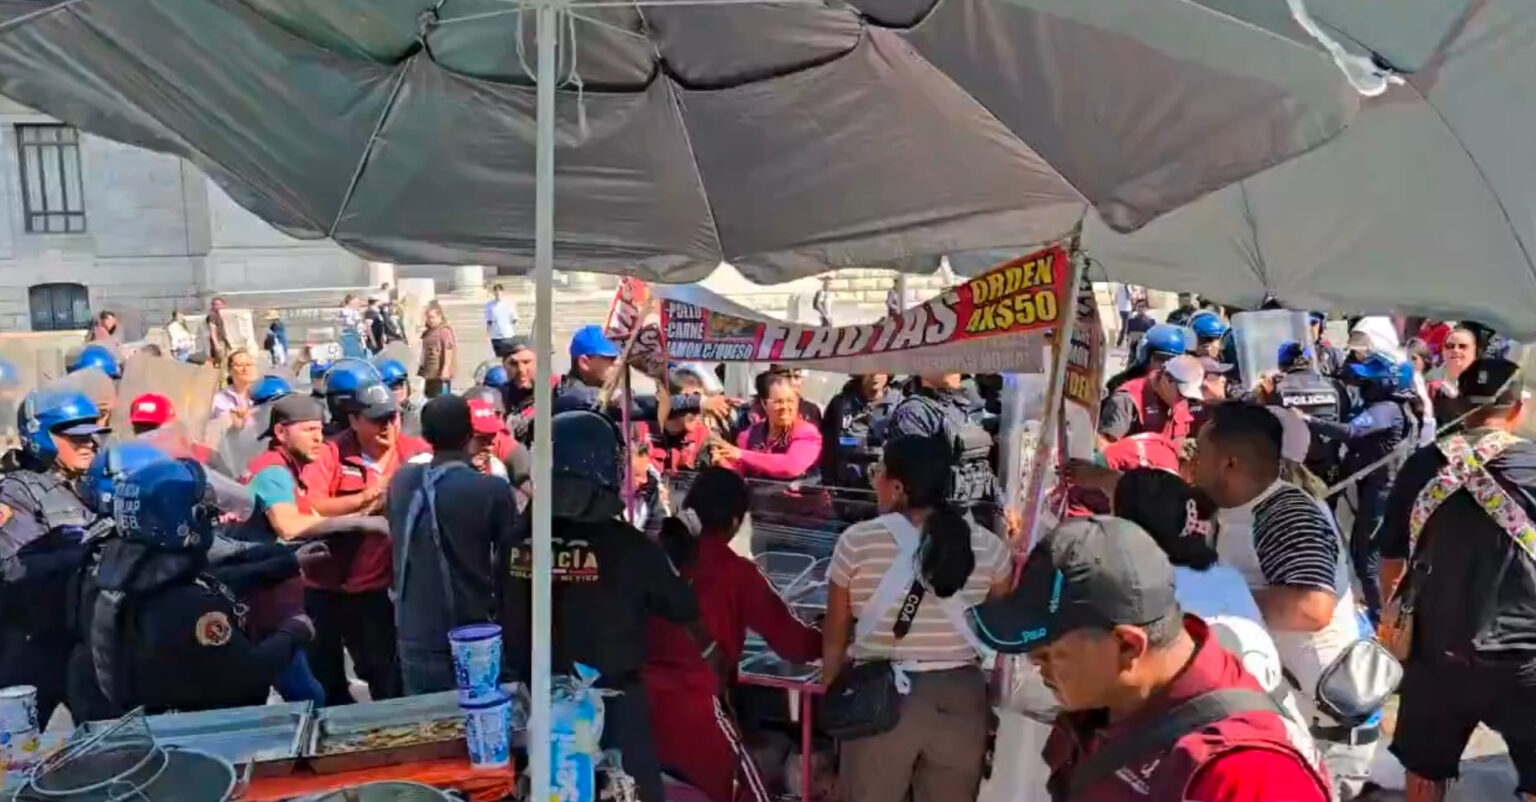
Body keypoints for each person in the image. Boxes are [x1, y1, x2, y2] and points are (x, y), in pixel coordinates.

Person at [967, 516, 1331, 802]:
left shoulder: (1246, 776)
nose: (1034, 661)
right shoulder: (1109, 697)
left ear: (1128, 645)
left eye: (1049, 651)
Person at [500, 410, 705, 802]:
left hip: (534, 704)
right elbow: (683, 606)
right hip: (613, 711)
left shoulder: (514, 541)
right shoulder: (629, 547)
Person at [1193, 401, 1377, 798]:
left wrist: (1220, 598)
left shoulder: (1285, 512)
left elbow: (1312, 607)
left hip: (1324, 726)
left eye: (1199, 452)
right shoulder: (1235, 509)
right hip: (1285, 716)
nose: (1192, 461)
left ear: (1229, 463)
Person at [1379, 358, 1536, 802]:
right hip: (1527, 654)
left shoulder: (1420, 466)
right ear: (1517, 407)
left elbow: (1391, 559)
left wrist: (1394, 618)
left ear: (1460, 405)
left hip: (1437, 653)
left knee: (1424, 771)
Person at [823, 434, 1012, 802]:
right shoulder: (989, 547)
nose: (873, 480)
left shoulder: (856, 542)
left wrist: (834, 695)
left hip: (881, 697)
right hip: (962, 701)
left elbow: (834, 637)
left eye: (878, 473)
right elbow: (995, 629)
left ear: (897, 486)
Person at [87, 455, 316, 714]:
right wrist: (294, 631)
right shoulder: (191, 605)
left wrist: (287, 562)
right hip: (202, 729)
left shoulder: (123, 570)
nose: (212, 517)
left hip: (149, 718)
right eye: (204, 510)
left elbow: (213, 579)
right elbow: (248, 672)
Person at [647, 467, 822, 802]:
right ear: (735, 521)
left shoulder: (647, 555)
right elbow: (795, 644)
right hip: (697, 717)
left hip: (634, 710)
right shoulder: (737, 573)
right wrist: (832, 632)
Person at [302, 372, 430, 703]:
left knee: (385, 674)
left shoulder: (415, 453)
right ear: (354, 420)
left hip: (382, 591)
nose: (387, 426)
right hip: (327, 585)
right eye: (376, 420)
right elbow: (312, 506)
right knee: (326, 679)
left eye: (392, 417)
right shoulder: (332, 454)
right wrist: (367, 498)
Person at [388, 395, 516, 695]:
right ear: (469, 433)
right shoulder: (490, 489)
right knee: (480, 720)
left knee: (430, 728)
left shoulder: (402, 481)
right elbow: (511, 564)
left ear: (425, 436)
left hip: (415, 629)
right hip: (473, 629)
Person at [0, 388, 105, 725]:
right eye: (74, 437)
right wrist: (86, 551)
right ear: (40, 436)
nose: (87, 443)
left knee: (114, 744)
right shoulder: (16, 491)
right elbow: (12, 569)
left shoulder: (90, 484)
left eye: (90, 435)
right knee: (11, 750)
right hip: (34, 644)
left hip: (83, 641)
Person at [1298, 351, 1415, 624]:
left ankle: (1382, 621)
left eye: (1369, 382)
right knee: (1363, 556)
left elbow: (1351, 432)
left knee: (1368, 562)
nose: (1364, 387)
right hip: (1375, 492)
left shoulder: (1386, 409)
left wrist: (1307, 420)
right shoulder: (1393, 407)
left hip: (1382, 495)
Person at [885, 372, 998, 520]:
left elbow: (981, 466)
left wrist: (1002, 507)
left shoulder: (962, 405)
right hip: (936, 523)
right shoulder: (913, 412)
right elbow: (916, 480)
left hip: (972, 514)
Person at [556, 325, 718, 425]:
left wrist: (696, 402)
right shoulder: (572, 395)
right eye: (610, 359)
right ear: (585, 362)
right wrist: (696, 401)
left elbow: (646, 406)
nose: (619, 363)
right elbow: (635, 406)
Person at [713, 371, 822, 482]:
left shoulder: (807, 433)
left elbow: (791, 467)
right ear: (764, 404)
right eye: (778, 402)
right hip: (756, 497)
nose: (785, 407)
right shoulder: (747, 436)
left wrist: (742, 454)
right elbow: (739, 471)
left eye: (790, 401)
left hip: (796, 497)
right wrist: (724, 461)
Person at [1267, 341, 1346, 484]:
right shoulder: (1335, 386)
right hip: (1328, 468)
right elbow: (1345, 422)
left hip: (1294, 472)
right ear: (1310, 361)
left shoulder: (1276, 389)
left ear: (1281, 363)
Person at [1099, 352, 1204, 443]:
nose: (1182, 400)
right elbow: (1105, 446)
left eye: (1187, 397)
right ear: (1167, 379)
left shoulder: (1180, 403)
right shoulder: (1128, 399)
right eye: (1181, 394)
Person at [820, 373, 902, 489]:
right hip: (845, 488)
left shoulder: (900, 406)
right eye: (869, 368)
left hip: (884, 489)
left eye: (880, 368)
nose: (874, 374)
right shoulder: (841, 404)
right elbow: (834, 444)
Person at [1427, 325, 1477, 427]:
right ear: (1443, 351)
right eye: (1450, 346)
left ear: (1474, 351)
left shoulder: (1485, 380)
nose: (1456, 350)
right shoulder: (1430, 382)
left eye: (1462, 346)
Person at [373, 355, 422, 438]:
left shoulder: (416, 417)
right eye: (394, 387)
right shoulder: (373, 420)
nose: (399, 391)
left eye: (400, 385)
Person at [211, 348, 260, 430]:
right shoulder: (219, 399)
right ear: (230, 371)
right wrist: (231, 417)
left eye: (249, 365)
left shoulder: (263, 394)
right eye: (239, 365)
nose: (245, 369)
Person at [418, 302, 456, 398]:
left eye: (432, 317)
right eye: (428, 317)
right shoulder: (429, 331)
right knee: (429, 397)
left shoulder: (444, 331)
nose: (430, 320)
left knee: (441, 399)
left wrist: (445, 369)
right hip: (430, 373)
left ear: (440, 317)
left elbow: (448, 350)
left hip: (440, 374)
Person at [484, 283, 520, 357]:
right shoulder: (489, 305)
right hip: (495, 337)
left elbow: (515, 319)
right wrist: (487, 335)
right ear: (493, 293)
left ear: (502, 292)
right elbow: (489, 321)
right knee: (499, 358)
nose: (498, 293)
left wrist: (514, 331)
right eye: (496, 291)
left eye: (499, 291)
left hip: (508, 335)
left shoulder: (509, 304)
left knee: (508, 357)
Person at [205, 296, 232, 369]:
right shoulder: (212, 315)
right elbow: (212, 330)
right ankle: (222, 378)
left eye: (220, 304)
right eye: (216, 304)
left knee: (227, 359)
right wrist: (216, 344)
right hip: (219, 341)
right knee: (222, 361)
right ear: (213, 306)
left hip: (225, 340)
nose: (218, 306)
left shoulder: (222, 315)